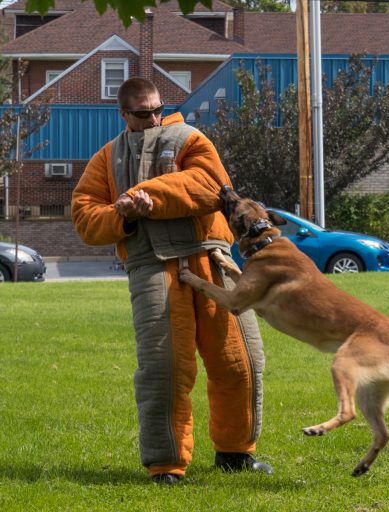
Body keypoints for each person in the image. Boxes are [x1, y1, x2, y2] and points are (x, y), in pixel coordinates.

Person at [72, 77, 272, 484]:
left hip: (211, 258)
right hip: (151, 267)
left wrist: (143, 196)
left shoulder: (191, 138)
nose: (154, 118)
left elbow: (210, 187)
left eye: (159, 109)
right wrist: (123, 214)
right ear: (123, 114)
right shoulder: (104, 159)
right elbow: (84, 218)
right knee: (163, 370)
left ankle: (236, 454)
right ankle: (166, 465)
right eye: (143, 113)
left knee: (241, 361)